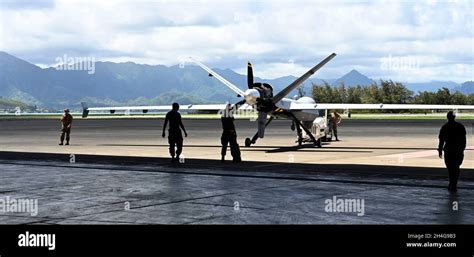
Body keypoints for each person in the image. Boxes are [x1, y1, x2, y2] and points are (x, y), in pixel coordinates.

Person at [438, 111, 466, 192]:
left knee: (450, 168)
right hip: (458, 150)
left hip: (449, 150)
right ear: (454, 117)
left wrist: (440, 150)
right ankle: (454, 184)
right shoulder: (460, 126)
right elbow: (463, 140)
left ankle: (452, 183)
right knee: (456, 167)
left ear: (447, 117)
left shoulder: (444, 127)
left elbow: (441, 141)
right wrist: (462, 149)